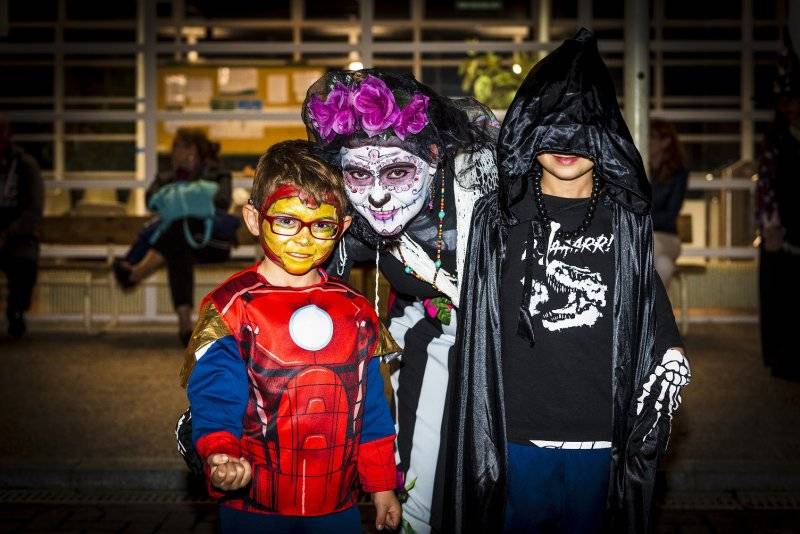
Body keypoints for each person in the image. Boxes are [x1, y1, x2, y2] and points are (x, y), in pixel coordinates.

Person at [444, 29, 691, 533]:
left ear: (606, 135)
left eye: (582, 127)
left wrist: (668, 355)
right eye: (552, 125)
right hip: (517, 435)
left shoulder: (624, 219)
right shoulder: (500, 217)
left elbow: (646, 301)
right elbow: (480, 328)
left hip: (598, 436)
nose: (566, 143)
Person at [303, 69, 498, 533]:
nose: (376, 193)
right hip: (429, 344)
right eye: (358, 172)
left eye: (397, 171)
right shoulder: (356, 215)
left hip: (509, 346)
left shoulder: (487, 187)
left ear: (431, 155)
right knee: (417, 486)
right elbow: (302, 287)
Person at [180, 140, 401, 533]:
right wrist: (220, 452)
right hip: (254, 507)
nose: (303, 238)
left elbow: (370, 409)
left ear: (342, 228)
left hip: (337, 507)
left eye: (322, 225)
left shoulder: (355, 311)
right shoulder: (231, 307)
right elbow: (216, 393)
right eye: (286, 220)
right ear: (254, 219)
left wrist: (382, 484)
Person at [113, 128, 238, 345]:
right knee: (177, 249)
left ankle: (136, 271)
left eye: (183, 147)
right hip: (180, 243)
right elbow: (151, 200)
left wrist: (187, 191)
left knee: (177, 229)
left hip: (212, 242)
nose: (178, 152)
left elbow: (222, 202)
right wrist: (179, 184)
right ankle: (185, 326)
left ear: (196, 150)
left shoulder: (217, 172)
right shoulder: (166, 176)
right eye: (176, 147)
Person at [757, 30, 800, 380]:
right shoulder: (776, 139)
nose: (789, 108)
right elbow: (767, 185)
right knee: (782, 297)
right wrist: (769, 224)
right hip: (781, 227)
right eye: (785, 102)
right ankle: (784, 360)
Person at [0, 115, 44, 339]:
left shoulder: (26, 166)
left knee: (24, 262)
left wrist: (8, 233)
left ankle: (16, 311)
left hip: (19, 237)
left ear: (9, 135)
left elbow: (34, 210)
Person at [650, 119, 689, 289]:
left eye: (652, 136)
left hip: (668, 238)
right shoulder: (639, 168)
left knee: (650, 244)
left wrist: (641, 219)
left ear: (665, 142)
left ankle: (634, 302)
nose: (647, 140)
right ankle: (653, 307)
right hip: (648, 239)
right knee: (664, 266)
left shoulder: (678, 173)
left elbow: (671, 214)